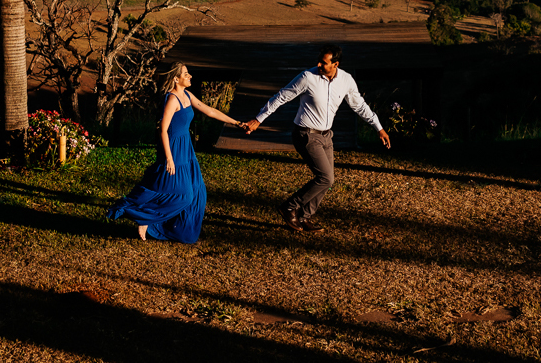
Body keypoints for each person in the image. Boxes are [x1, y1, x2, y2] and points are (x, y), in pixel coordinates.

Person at [243, 44, 390, 233]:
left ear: (335, 64)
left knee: (328, 180)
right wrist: (258, 119)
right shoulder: (308, 77)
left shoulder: (346, 80)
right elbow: (282, 96)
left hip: (326, 135)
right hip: (305, 134)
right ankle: (289, 207)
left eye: (324, 62)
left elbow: (359, 105)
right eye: (319, 61)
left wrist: (379, 127)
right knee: (325, 178)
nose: (319, 65)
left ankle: (303, 217)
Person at [107, 62, 243, 243]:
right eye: (186, 74)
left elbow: (209, 110)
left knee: (198, 191)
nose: (190, 76)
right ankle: (146, 219)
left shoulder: (186, 94)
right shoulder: (172, 100)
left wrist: (237, 123)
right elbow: (162, 130)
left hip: (186, 148)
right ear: (176, 79)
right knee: (183, 195)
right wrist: (169, 159)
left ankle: (180, 231)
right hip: (173, 150)